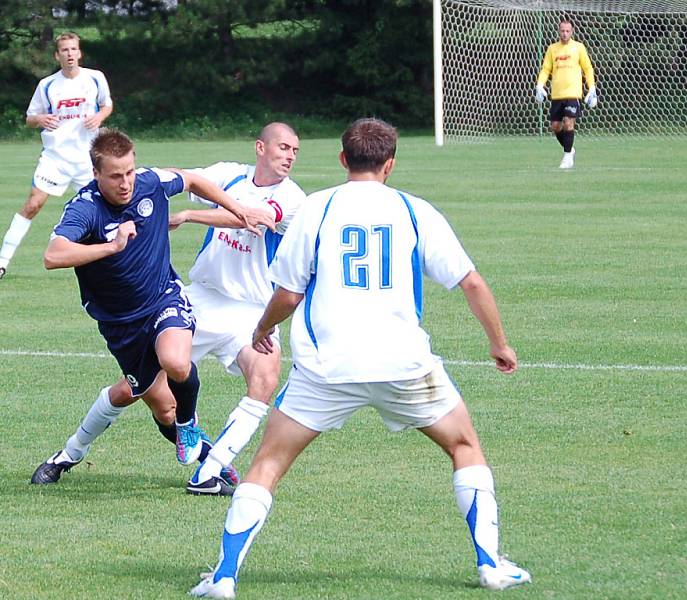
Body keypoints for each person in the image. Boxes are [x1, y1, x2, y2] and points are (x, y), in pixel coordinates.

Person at [190, 118, 531, 599]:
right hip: (405, 365)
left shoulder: (316, 208)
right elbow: (470, 282)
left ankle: (224, 578)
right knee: (464, 447)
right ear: (390, 164)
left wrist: (262, 329)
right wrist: (499, 343)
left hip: (326, 369)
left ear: (343, 159)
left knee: (267, 463)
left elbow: (288, 294)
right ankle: (491, 565)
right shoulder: (415, 210)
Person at [31, 123, 306, 497]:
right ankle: (71, 452)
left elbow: (259, 216)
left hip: (246, 308)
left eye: (294, 150)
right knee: (145, 397)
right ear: (261, 147)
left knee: (262, 378)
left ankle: (210, 469)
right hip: (199, 297)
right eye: (283, 148)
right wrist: (113, 245)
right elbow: (190, 179)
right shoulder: (228, 173)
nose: (289, 156)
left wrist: (201, 214)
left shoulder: (293, 198)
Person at [0, 32, 113, 279]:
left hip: (87, 159)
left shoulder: (95, 78)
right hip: (56, 158)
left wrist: (100, 116)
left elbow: (107, 104)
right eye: (65, 50)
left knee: (101, 209)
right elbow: (30, 118)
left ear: (79, 53)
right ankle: (2, 262)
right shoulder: (47, 85)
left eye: (74, 49)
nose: (70, 54)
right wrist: (40, 119)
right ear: (57, 55)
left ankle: (112, 261)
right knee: (33, 204)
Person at [535, 17, 597, 169]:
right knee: (556, 126)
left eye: (567, 31)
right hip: (557, 94)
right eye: (562, 30)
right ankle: (570, 149)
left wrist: (592, 88)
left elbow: (588, 68)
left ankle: (567, 156)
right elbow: (546, 69)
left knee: (568, 122)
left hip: (573, 93)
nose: (564, 33)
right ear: (558, 31)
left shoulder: (579, 48)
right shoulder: (552, 49)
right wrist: (540, 85)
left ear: (572, 31)